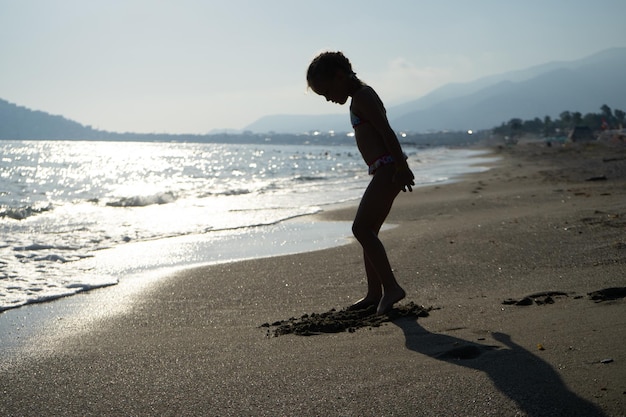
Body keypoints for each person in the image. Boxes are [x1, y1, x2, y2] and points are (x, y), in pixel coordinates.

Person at [306, 51, 415, 315]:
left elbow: (386, 132)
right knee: (369, 231)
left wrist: (401, 166)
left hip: (388, 169)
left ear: (340, 76)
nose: (329, 99)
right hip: (385, 168)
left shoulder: (364, 96)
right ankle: (374, 293)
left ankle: (391, 288)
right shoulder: (359, 97)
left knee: (361, 229)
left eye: (327, 91)